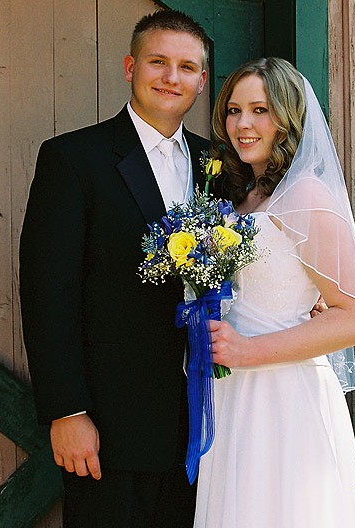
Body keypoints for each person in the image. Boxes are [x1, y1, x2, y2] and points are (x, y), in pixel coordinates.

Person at [19, 10, 209, 528]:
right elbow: (46, 294)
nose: (172, 77)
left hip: (208, 427)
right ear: (130, 66)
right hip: (109, 427)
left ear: (201, 79)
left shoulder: (220, 165)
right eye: (158, 62)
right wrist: (67, 411)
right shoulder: (74, 159)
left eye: (186, 67)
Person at [194, 58, 355, 527]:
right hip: (233, 392)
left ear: (288, 118)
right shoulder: (242, 197)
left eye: (260, 110)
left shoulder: (307, 195)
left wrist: (249, 351)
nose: (243, 124)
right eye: (234, 110)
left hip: (282, 394)